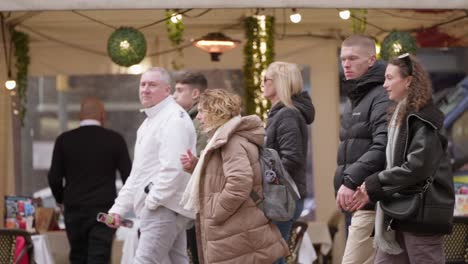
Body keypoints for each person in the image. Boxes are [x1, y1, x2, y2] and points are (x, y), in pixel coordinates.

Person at [353, 54, 455, 263]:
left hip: (421, 213)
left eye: (390, 78)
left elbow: (417, 167)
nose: (384, 85)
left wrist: (374, 184)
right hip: (399, 212)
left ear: (408, 81)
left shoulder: (425, 118)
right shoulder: (401, 115)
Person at [180, 89, 289, 263]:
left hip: (235, 230)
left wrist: (215, 210)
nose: (198, 117)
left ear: (216, 111)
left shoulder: (231, 142)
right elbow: (222, 175)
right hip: (236, 229)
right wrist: (196, 165)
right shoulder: (226, 138)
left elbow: (240, 182)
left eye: (202, 111)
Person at [106, 67, 197, 264]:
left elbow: (174, 168)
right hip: (164, 207)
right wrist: (118, 208)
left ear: (167, 90)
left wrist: (153, 202)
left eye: (152, 85)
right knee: (176, 261)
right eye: (143, 84)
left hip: (163, 208)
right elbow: (139, 173)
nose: (145, 89)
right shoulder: (150, 122)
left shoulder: (173, 119)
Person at [48, 97, 132, 264]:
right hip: (104, 210)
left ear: (80, 115)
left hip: (74, 210)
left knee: (78, 256)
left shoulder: (64, 140)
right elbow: (128, 177)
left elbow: (54, 177)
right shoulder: (115, 139)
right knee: (99, 256)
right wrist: (124, 205)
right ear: (102, 116)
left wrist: (61, 199)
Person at [333, 35, 390, 264]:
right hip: (356, 203)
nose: (346, 64)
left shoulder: (381, 95)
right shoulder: (356, 96)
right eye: (343, 59)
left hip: (370, 200)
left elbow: (382, 144)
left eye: (353, 58)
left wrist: (349, 180)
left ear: (371, 60)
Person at [262, 61, 314, 263]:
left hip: (282, 199)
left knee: (273, 255)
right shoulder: (281, 113)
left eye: (265, 79)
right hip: (282, 197)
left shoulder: (287, 114)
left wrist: (266, 179)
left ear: (279, 82)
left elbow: (291, 158)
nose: (263, 84)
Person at [173, 71, 209, 263]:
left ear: (195, 94)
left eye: (179, 90)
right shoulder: (189, 120)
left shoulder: (199, 122)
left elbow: (201, 163)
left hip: (199, 203)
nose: (174, 95)